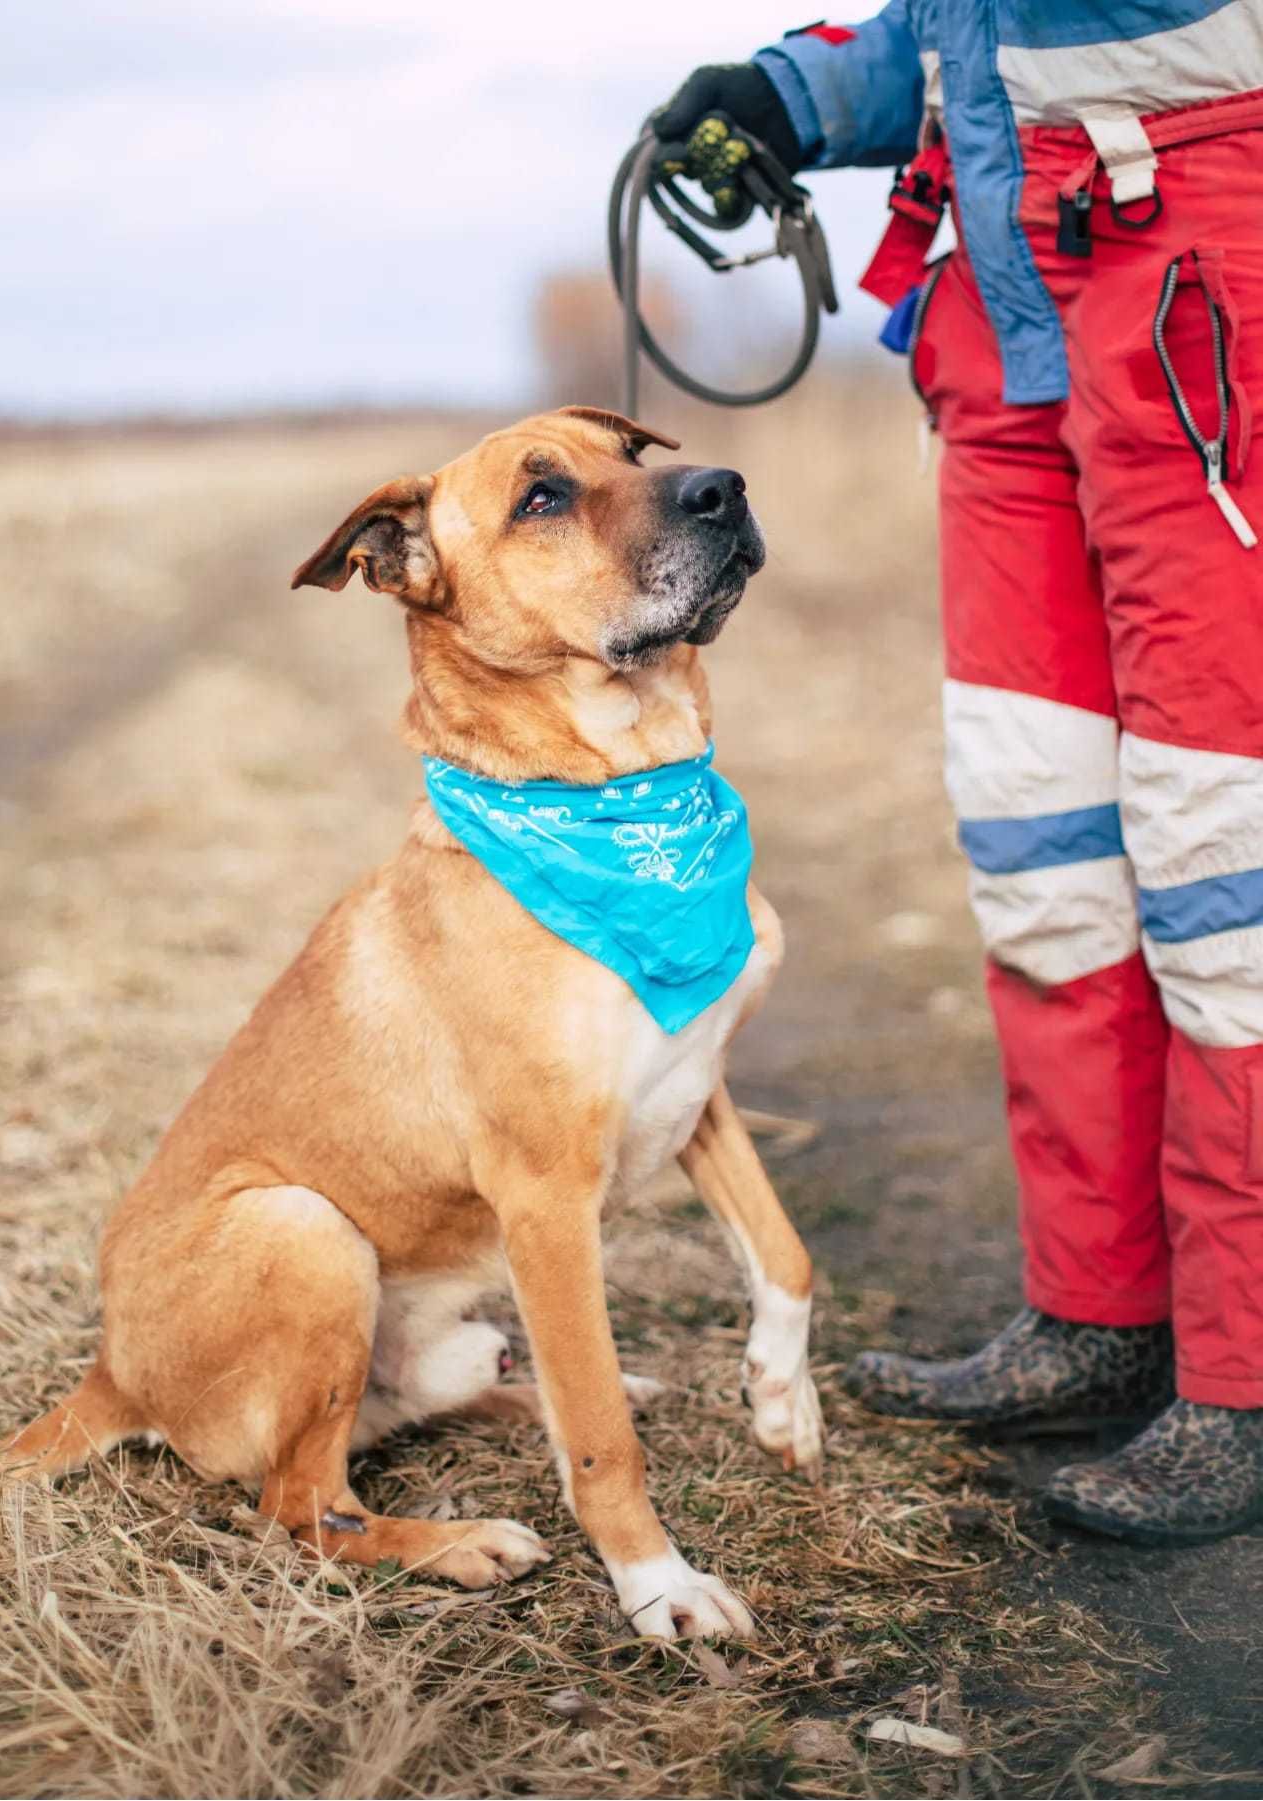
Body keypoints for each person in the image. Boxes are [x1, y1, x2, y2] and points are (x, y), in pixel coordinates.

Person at [655, 3, 1263, 1547]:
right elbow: (961, 28)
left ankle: (1245, 1375)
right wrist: (792, 95)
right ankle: (1098, 1313)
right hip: (1011, 349)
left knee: (1227, 883)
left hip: (1195, 301)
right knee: (1042, 856)